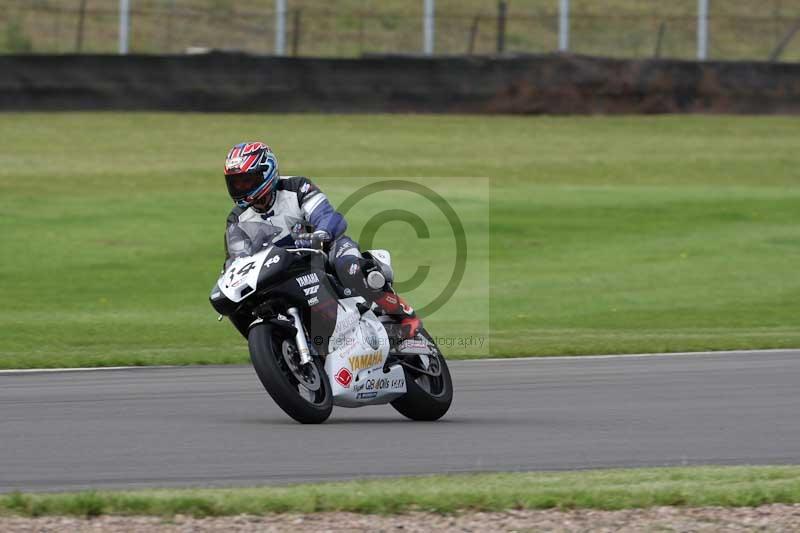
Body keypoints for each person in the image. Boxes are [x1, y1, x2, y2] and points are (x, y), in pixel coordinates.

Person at [222, 141, 421, 340]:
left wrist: (321, 234)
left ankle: (403, 314)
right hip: (284, 271)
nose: (241, 187)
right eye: (236, 182)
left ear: (266, 173)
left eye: (247, 180)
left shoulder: (297, 187)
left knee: (349, 267)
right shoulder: (237, 219)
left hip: (325, 249)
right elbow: (239, 258)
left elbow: (326, 215)